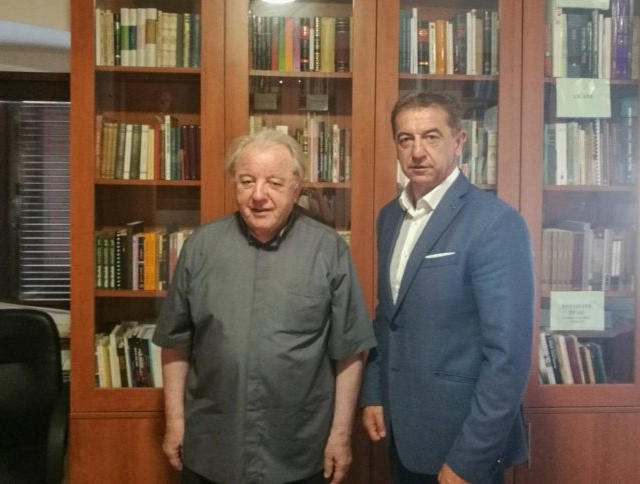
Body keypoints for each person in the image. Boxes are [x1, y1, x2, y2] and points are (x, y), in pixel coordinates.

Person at [153, 129, 375, 484]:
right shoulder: (200, 247)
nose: (258, 195)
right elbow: (175, 342)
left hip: (298, 450)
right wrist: (175, 423)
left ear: (296, 189)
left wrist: (341, 434)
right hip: (211, 446)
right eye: (247, 181)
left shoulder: (328, 250)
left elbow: (349, 351)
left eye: (274, 182)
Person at [360, 91, 534, 484]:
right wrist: (374, 392)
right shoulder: (389, 218)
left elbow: (508, 357)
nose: (417, 151)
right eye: (406, 139)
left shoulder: (495, 223)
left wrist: (470, 459)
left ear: (458, 142)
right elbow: (387, 317)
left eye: (431, 137)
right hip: (401, 431)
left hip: (461, 442)